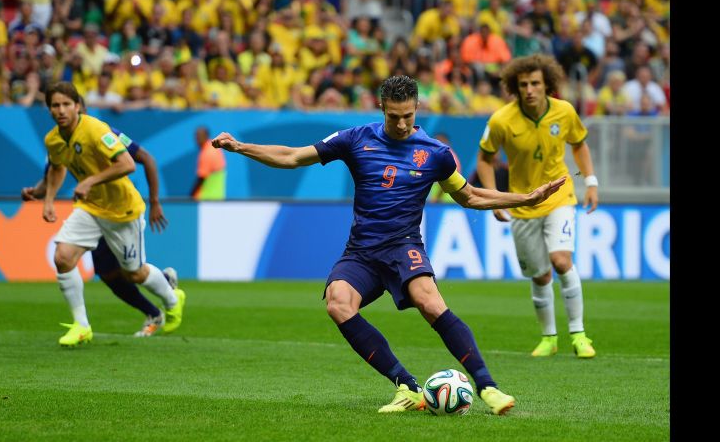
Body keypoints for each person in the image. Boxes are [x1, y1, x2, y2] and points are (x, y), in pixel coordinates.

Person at [211, 75, 567, 415]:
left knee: (429, 301)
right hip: (362, 252)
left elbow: (470, 196)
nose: (401, 124)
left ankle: (488, 387)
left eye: (408, 116)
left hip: (403, 247)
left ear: (417, 109)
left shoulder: (435, 153)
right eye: (394, 117)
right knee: (338, 303)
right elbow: (292, 157)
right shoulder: (355, 139)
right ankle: (407, 386)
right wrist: (241, 147)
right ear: (382, 108)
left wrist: (525, 199)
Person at [40, 81, 186, 347]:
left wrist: (90, 181)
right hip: (90, 208)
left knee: (134, 274)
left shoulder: (97, 129)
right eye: (54, 105)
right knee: (62, 258)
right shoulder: (53, 139)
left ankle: (173, 299)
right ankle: (81, 326)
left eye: (65, 104)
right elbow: (56, 167)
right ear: (48, 109)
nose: (60, 110)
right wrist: (47, 199)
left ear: (77, 106)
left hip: (122, 210)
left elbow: (130, 163)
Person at [476, 54, 598, 359]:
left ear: (548, 85)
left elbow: (579, 144)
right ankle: (549, 338)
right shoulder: (501, 120)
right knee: (541, 275)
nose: (529, 89)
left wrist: (592, 181)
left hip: (559, 197)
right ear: (515, 88)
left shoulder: (565, 112)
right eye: (523, 84)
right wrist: (493, 196)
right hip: (523, 203)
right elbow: (484, 159)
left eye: (535, 83)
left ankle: (579, 334)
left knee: (560, 260)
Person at [190, 126, 226, 200]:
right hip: (217, 197)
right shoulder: (215, 149)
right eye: (196, 136)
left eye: (199, 136)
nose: (197, 138)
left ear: (206, 136)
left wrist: (191, 196)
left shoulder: (207, 152)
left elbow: (201, 178)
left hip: (207, 199)